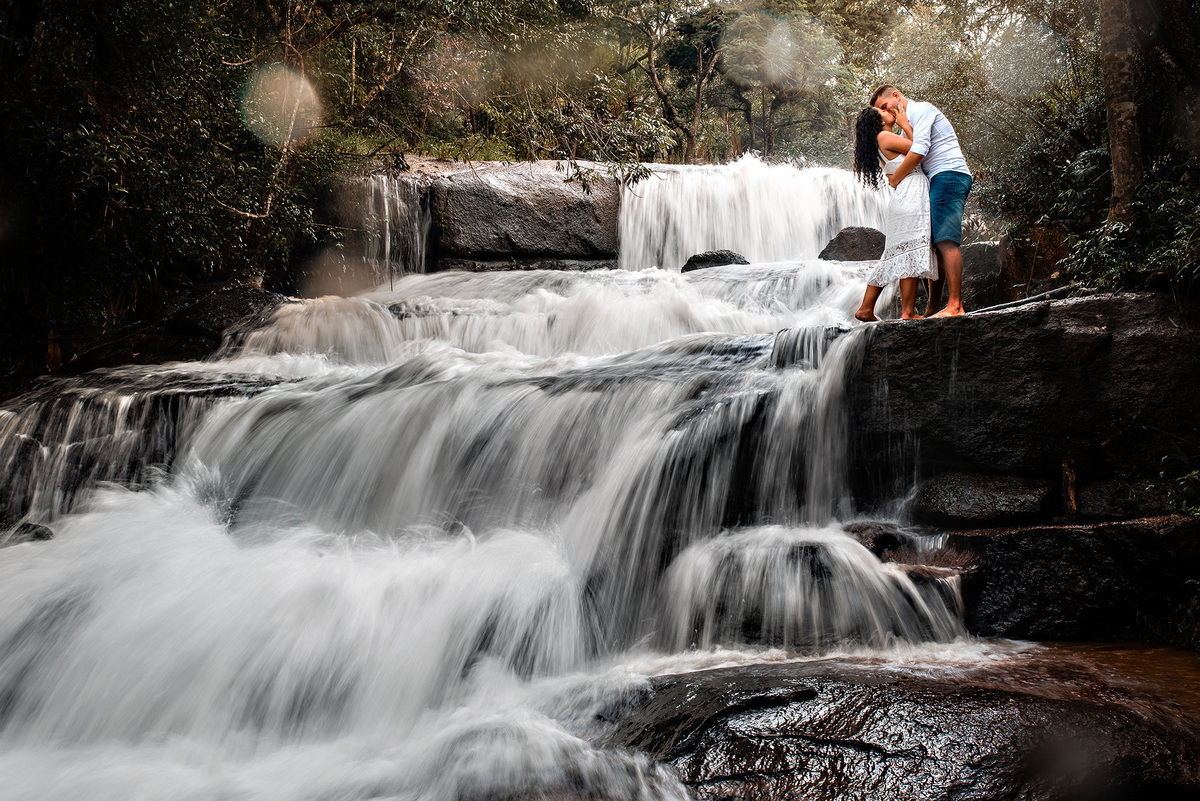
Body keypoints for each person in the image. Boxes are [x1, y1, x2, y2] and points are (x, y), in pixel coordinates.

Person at [870, 85, 973, 317]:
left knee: (945, 240)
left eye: (884, 106)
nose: (884, 113)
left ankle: (955, 305)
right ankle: (934, 308)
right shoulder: (904, 130)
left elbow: (920, 150)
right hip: (937, 179)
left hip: (949, 174)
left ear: (896, 96)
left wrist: (895, 178)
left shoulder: (922, 111)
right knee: (934, 244)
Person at [852, 103, 937, 321]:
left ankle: (867, 308)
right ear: (878, 122)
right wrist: (906, 124)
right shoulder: (884, 137)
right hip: (910, 193)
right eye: (882, 111)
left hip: (906, 194)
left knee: (899, 252)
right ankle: (907, 312)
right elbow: (917, 146)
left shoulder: (884, 139)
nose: (888, 111)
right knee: (907, 251)